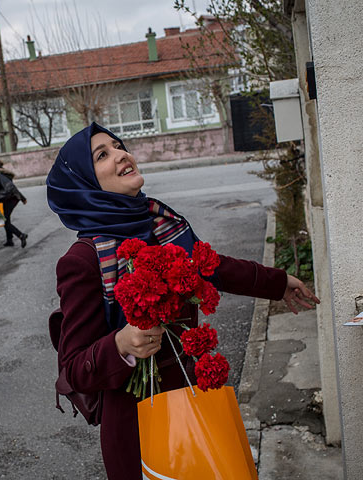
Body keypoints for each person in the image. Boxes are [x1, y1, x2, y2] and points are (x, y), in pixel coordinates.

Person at [46, 123, 320, 479]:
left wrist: (277, 281)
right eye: (103, 155)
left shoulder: (158, 223)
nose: (121, 155)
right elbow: (73, 368)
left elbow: (211, 265)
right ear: (83, 184)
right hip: (138, 425)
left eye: (119, 146)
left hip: (194, 397)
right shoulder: (83, 261)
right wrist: (120, 344)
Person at [0, 158, 28, 248]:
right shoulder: (3, 172)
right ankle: (9, 240)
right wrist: (22, 198)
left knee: (5, 221)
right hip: (11, 198)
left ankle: (21, 235)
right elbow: (11, 186)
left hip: (5, 199)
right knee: (6, 219)